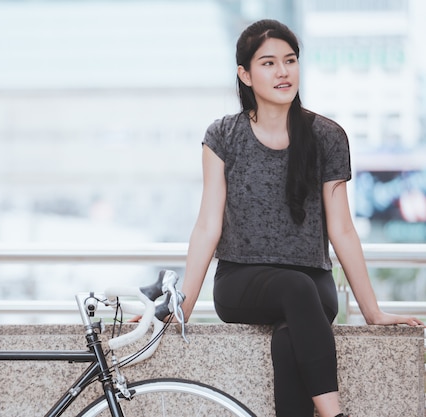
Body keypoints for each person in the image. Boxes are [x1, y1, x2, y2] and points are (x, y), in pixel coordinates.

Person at [177, 19, 424, 417]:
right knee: (293, 289)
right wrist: (183, 306)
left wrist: (372, 311)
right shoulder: (223, 136)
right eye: (269, 63)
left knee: (289, 340)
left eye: (290, 61)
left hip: (313, 283)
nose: (283, 72)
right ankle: (334, 413)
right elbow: (208, 225)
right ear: (245, 74)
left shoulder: (327, 136)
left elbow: (342, 228)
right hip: (240, 282)